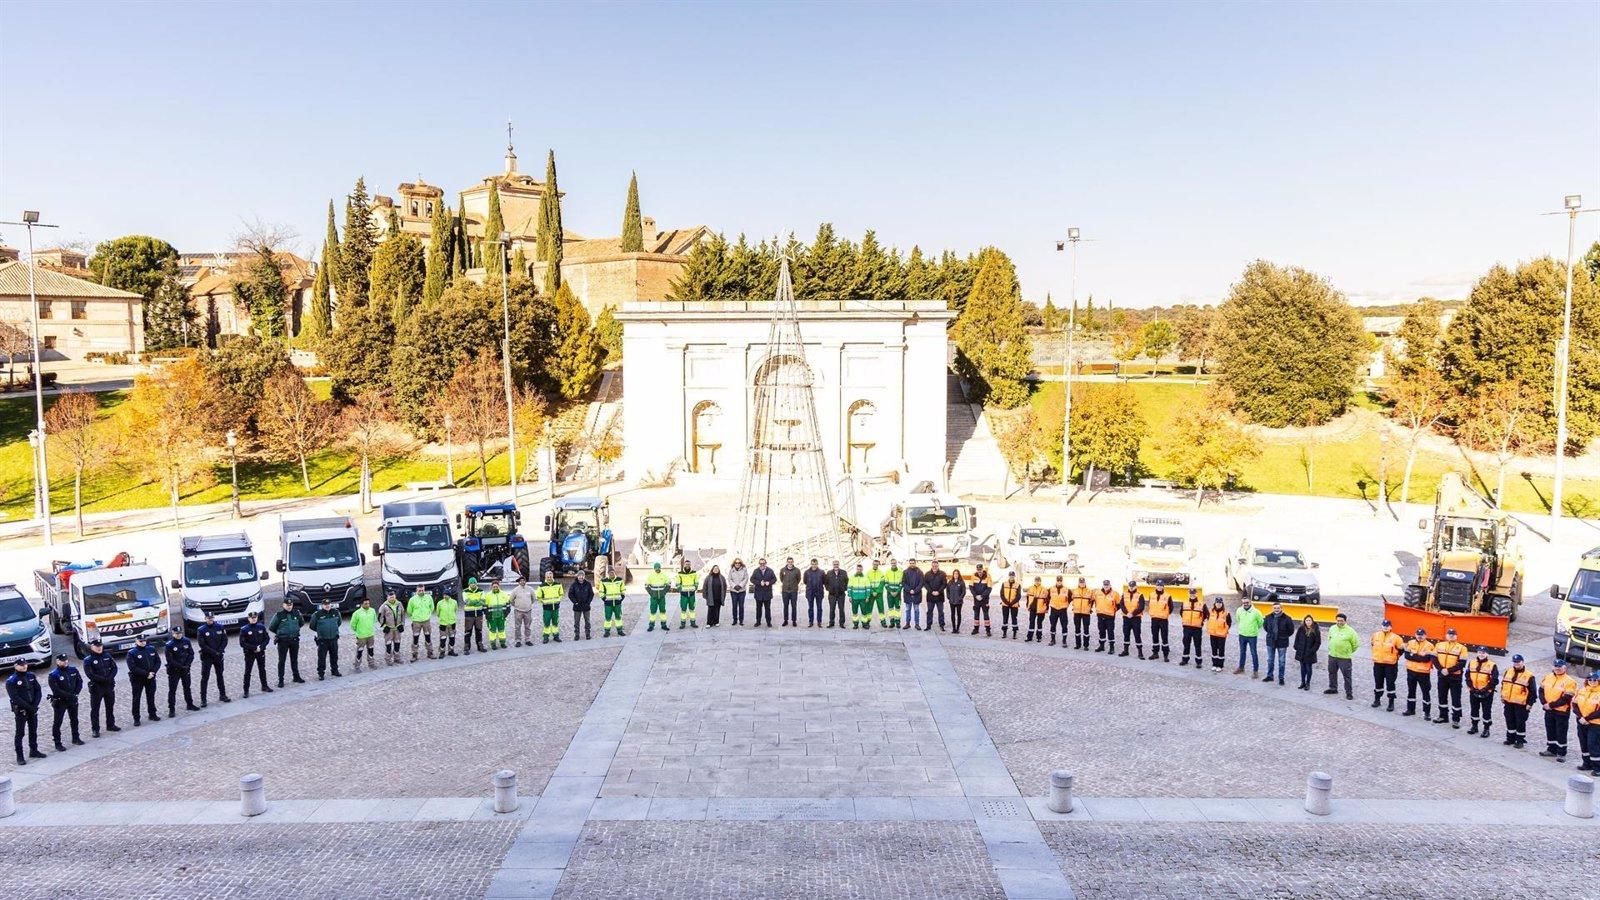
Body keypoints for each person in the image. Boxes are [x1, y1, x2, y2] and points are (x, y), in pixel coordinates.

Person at [1539, 659, 1579, 762]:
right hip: (1549, 710)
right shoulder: (1547, 677)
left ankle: (1561, 753)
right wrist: (1544, 703)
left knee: (1561, 732)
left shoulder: (1570, 681)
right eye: (1555, 666)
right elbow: (1541, 690)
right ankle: (1551, 749)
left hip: (1561, 711)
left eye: (1560, 666)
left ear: (1565, 668)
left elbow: (1566, 698)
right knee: (1550, 729)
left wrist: (1550, 705)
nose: (1557, 668)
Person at [7, 660, 44, 765]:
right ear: (16, 666)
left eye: (25, 664)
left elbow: (38, 690)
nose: (24, 667)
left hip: (32, 708)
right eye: (21, 665)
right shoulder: (12, 681)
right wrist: (30, 707)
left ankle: (34, 750)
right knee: (20, 733)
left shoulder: (31, 676)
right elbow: (15, 697)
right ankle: (20, 756)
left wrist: (35, 705)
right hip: (21, 710)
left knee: (33, 730)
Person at [83, 638, 120, 736]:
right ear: (92, 647)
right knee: (95, 709)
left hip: (109, 686)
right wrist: (103, 679)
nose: (99, 648)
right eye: (97, 647)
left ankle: (111, 724)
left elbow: (114, 668)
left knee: (110, 706)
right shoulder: (88, 660)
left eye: (100, 646)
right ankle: (95, 729)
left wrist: (110, 677)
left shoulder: (107, 656)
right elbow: (90, 674)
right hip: (97, 688)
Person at [46, 654, 84, 751]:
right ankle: (57, 743)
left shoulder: (73, 670)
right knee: (58, 722)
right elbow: (56, 690)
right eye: (62, 660)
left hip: (72, 700)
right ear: (57, 662)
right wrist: (70, 695)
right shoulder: (53, 674)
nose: (65, 662)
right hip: (60, 701)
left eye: (66, 660)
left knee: (74, 719)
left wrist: (76, 694)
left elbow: (79, 682)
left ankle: (76, 738)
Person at [1432, 628, 1468, 727]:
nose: (1451, 636)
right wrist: (1441, 669)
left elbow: (1462, 663)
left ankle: (1456, 719)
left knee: (1456, 698)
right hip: (1442, 675)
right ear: (1446, 635)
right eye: (1449, 634)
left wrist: (1448, 670)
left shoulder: (1462, 648)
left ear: (1456, 636)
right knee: (1442, 696)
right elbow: (1434, 658)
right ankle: (1443, 716)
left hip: (1455, 677)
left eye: (1453, 634)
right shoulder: (1439, 645)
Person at [1500, 654, 1535, 749]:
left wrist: (1530, 704)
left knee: (1520, 722)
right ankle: (1510, 738)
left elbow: (1533, 692)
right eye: (1515, 662)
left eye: (1518, 662)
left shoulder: (1529, 675)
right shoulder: (1508, 671)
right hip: (1508, 702)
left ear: (1522, 662)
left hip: (1521, 704)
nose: (1516, 664)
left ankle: (1520, 740)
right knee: (1509, 720)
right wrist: (1502, 696)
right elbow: (1504, 685)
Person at [268, 599, 306, 686]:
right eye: (287, 604)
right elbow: (271, 627)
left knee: (294, 659)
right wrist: (281, 633)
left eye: (291, 604)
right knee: (282, 661)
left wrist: (294, 630)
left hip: (294, 640)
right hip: (283, 641)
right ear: (283, 605)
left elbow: (301, 623)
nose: (289, 606)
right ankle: (281, 680)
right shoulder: (279, 615)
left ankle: (296, 676)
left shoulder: (297, 613)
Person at [125, 634, 162, 725]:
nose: (143, 642)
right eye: (140, 641)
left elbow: (158, 661)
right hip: (138, 679)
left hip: (151, 677)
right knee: (136, 698)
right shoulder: (132, 653)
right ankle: (136, 718)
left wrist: (153, 672)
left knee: (151, 696)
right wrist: (146, 674)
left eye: (144, 641)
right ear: (136, 642)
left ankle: (152, 713)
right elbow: (132, 667)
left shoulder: (151, 649)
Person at [1369, 618, 1405, 711]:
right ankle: (1377, 700)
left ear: (1391, 627)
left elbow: (1401, 650)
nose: (1385, 627)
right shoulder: (1375, 635)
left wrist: (1395, 657)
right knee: (1378, 682)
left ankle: (1391, 702)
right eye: (1384, 625)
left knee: (1390, 683)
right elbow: (1373, 645)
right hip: (1378, 663)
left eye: (1387, 626)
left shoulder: (1396, 638)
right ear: (1381, 626)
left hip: (1390, 665)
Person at [197, 611, 231, 705]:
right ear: (205, 619)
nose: (210, 619)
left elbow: (225, 640)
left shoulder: (220, 627)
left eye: (211, 618)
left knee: (220, 675)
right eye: (208, 618)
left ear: (214, 618)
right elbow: (202, 645)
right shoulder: (201, 630)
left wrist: (219, 651)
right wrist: (214, 652)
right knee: (205, 677)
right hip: (207, 657)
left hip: (218, 656)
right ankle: (203, 699)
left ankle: (222, 695)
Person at [163, 627, 199, 717]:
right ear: (173, 633)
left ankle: (189, 704)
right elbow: (170, 660)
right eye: (176, 633)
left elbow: (191, 654)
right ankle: (171, 709)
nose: (178, 635)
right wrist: (181, 666)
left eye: (180, 633)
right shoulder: (169, 645)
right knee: (172, 690)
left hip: (185, 669)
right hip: (174, 670)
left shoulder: (186, 641)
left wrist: (187, 664)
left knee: (187, 687)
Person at [1401, 627, 1435, 718]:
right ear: (1415, 635)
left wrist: (1414, 655)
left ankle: (1427, 713)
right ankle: (1410, 710)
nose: (1420, 637)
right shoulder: (1410, 643)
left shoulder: (1430, 645)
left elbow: (1426, 659)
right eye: (1418, 635)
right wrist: (1419, 657)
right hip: (1411, 671)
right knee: (1411, 691)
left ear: (1425, 636)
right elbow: (1407, 656)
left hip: (1423, 673)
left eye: (1422, 635)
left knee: (1425, 692)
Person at [1466, 649, 1500, 738]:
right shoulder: (1472, 663)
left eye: (1483, 653)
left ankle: (1486, 729)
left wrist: (1485, 689)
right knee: (1474, 709)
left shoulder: (1492, 665)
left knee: (1486, 711)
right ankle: (1474, 726)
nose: (1481, 654)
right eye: (1480, 652)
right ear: (1477, 653)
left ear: (1487, 654)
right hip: (1474, 691)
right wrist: (1471, 687)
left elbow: (1494, 680)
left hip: (1487, 693)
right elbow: (1467, 676)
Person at [1322, 613, 1357, 699]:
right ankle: (1333, 688)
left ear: (1345, 621)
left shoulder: (1351, 631)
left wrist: (1347, 651)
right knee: (1332, 673)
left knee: (1347, 676)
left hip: (1344, 658)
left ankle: (1349, 693)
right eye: (1338, 620)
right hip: (1332, 655)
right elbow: (1330, 638)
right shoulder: (1332, 628)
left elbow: (1355, 644)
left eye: (1341, 621)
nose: (1339, 622)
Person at [239, 611, 271, 697]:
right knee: (248, 671)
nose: (254, 619)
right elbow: (242, 643)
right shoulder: (244, 629)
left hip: (260, 652)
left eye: (255, 617)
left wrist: (261, 647)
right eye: (252, 618)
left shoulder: (261, 627)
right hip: (249, 653)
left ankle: (264, 686)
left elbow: (267, 638)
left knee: (262, 669)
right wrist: (254, 648)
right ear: (249, 618)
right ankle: (246, 690)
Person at [1261, 601, 1294, 685]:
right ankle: (1270, 676)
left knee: (1282, 661)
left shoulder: (1287, 618)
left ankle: (1281, 678)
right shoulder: (1268, 617)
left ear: (1281, 608)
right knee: (1270, 660)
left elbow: (1291, 631)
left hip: (1282, 642)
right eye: (1275, 608)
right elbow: (1265, 627)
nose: (1276, 609)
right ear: (1273, 608)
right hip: (1270, 642)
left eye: (1278, 608)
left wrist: (1283, 636)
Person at [309, 598, 343, 680]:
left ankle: (334, 670)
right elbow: (312, 626)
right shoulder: (317, 614)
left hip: (333, 638)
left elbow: (339, 622)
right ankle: (321, 673)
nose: (327, 606)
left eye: (328, 604)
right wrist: (321, 631)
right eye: (325, 605)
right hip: (323, 640)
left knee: (334, 656)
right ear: (322, 605)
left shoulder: (336, 612)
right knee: (322, 657)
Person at [1575, 671, 1600, 773]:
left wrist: (1587, 718)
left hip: (1595, 724)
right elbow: (1574, 704)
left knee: (1593, 744)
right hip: (1581, 721)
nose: (1592, 681)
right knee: (1583, 743)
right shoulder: (1581, 691)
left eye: (1595, 680)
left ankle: (1597, 768)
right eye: (1590, 680)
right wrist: (1581, 717)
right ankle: (1586, 764)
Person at [1232, 599, 1262, 676]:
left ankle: (1255, 671)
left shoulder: (1256, 612)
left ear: (1250, 602)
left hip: (1252, 636)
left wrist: (1253, 629)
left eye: (1247, 602)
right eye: (1244, 603)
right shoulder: (1239, 610)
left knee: (1254, 653)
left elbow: (1260, 622)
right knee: (1242, 652)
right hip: (1242, 635)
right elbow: (1238, 619)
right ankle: (1241, 667)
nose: (1245, 604)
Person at [1177, 589, 1206, 668]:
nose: (1192, 595)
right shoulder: (1185, 603)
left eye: (1193, 593)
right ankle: (1185, 659)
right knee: (1186, 644)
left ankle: (1198, 662)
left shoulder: (1202, 604)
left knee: (1197, 645)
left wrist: (1201, 622)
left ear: (1197, 594)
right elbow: (1181, 613)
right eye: (1191, 593)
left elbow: (1206, 614)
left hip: (1197, 628)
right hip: (1187, 628)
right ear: (1189, 594)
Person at [407, 586, 436, 660]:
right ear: (416, 591)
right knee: (415, 638)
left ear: (424, 590)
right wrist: (414, 617)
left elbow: (432, 607)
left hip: (426, 621)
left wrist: (428, 615)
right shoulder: (412, 599)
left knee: (428, 637)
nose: (421, 592)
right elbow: (409, 611)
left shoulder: (429, 598)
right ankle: (414, 655)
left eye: (422, 590)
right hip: (416, 622)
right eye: (419, 590)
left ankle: (430, 653)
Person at [1291, 615, 1320, 690]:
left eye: (1309, 620)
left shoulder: (1315, 630)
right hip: (1301, 651)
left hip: (1310, 653)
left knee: (1308, 668)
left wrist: (1312, 650)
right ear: (1304, 621)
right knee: (1302, 668)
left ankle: (1308, 683)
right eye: (1306, 620)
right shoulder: (1301, 628)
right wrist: (1296, 646)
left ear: (1312, 621)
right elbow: (1297, 638)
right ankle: (1302, 682)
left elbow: (1318, 642)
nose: (1308, 622)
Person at [1119, 581, 1146, 659]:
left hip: (1136, 618)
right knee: (1126, 634)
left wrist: (1132, 614)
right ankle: (1126, 651)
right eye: (1130, 586)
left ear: (1135, 586)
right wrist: (1127, 613)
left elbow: (1141, 607)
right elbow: (1122, 605)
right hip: (1126, 617)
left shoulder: (1140, 595)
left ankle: (1140, 653)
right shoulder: (1124, 594)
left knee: (1137, 635)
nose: (1131, 587)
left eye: (1133, 586)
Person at [378, 591, 406, 665]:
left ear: (395, 597)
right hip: (389, 629)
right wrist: (384, 626)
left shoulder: (399, 604)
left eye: (393, 597)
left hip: (397, 629)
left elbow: (403, 615)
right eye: (390, 597)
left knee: (397, 644)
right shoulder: (384, 606)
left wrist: (402, 624)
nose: (392, 598)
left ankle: (397, 658)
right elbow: (380, 617)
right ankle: (388, 659)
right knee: (388, 645)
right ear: (387, 597)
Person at [351, 596, 378, 672]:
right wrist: (359, 631)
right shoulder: (356, 613)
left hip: (370, 635)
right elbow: (353, 625)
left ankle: (371, 663)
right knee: (359, 651)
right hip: (361, 636)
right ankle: (357, 666)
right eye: (365, 604)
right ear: (361, 604)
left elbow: (374, 620)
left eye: (368, 603)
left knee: (371, 650)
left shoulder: (372, 610)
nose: (367, 605)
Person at [566, 570, 596, 638]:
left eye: (582, 575)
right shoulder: (574, 584)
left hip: (586, 606)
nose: (581, 577)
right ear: (577, 576)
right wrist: (575, 602)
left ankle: (587, 634)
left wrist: (588, 602)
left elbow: (591, 594)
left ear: (584, 576)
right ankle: (577, 634)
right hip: (577, 606)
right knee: (576, 622)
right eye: (579, 575)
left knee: (587, 621)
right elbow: (570, 594)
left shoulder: (588, 584)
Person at [461, 577, 488, 654]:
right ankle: (466, 647)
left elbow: (483, 601)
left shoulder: (481, 591)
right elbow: (467, 602)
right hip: (469, 614)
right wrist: (477, 601)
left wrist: (473, 602)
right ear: (469, 584)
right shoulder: (465, 591)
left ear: (476, 583)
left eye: (474, 583)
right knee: (468, 631)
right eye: (471, 583)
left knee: (479, 631)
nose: (473, 584)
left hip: (479, 614)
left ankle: (480, 645)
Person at [1093, 580, 1120, 653]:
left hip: (1110, 616)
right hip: (1100, 615)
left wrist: (1113, 610)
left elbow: (1118, 605)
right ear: (1103, 585)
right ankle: (1101, 646)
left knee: (1110, 632)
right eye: (1105, 585)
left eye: (1107, 585)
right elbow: (1094, 601)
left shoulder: (1115, 594)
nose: (1106, 586)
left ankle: (1112, 647)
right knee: (1101, 631)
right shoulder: (1097, 593)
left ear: (1110, 585)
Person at [1147, 586, 1173, 662]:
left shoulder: (1167, 596)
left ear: (1163, 587)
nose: (1159, 587)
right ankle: (1155, 653)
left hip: (1163, 620)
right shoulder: (1151, 595)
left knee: (1164, 637)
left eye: (1161, 586)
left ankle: (1165, 655)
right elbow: (1150, 605)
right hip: (1154, 619)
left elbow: (1171, 607)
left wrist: (1165, 614)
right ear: (1156, 586)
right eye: (1158, 585)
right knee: (1155, 636)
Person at [600, 566, 627, 638]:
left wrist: (622, 598)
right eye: (609, 572)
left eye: (612, 572)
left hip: (617, 603)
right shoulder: (603, 581)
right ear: (608, 573)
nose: (611, 573)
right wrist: (604, 599)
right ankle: (607, 631)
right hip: (608, 604)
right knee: (608, 618)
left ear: (614, 572)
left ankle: (620, 630)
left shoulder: (619, 580)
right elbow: (601, 592)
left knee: (618, 617)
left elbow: (623, 590)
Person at [537, 572, 564, 643]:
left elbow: (561, 594)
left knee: (555, 622)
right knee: (546, 623)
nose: (549, 578)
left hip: (555, 607)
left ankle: (556, 636)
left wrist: (558, 600)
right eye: (548, 577)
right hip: (547, 608)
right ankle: (546, 637)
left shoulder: (558, 585)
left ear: (552, 577)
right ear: (545, 577)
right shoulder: (541, 586)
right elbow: (538, 597)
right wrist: (543, 602)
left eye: (550, 577)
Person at [1205, 598, 1231, 672]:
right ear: (1215, 603)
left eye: (1220, 603)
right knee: (1214, 649)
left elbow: (1229, 623)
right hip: (1213, 634)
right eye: (1217, 603)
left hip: (1222, 635)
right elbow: (1208, 620)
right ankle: (1214, 664)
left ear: (1222, 604)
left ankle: (1220, 665)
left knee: (1221, 650)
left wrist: (1225, 631)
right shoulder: (1210, 612)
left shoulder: (1226, 613)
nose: (1218, 604)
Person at [484, 580, 511, 649]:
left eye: (496, 586)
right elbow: (485, 606)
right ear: (491, 587)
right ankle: (493, 644)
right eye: (494, 586)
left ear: (499, 586)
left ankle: (502, 643)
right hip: (492, 616)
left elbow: (508, 605)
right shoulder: (488, 595)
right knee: (492, 631)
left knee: (501, 630)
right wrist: (487, 615)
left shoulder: (504, 594)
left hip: (501, 616)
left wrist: (506, 613)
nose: (495, 588)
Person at [750, 558, 775, 628]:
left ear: (766, 563)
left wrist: (769, 582)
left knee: (767, 609)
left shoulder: (770, 571)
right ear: (759, 564)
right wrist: (758, 583)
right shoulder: (756, 571)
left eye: (763, 563)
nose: (762, 565)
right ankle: (758, 622)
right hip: (758, 594)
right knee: (758, 609)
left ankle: (769, 622)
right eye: (761, 563)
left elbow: (774, 579)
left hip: (767, 594)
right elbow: (752, 579)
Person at [788, 556, 813, 629]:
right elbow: (782, 578)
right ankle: (785, 620)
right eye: (789, 562)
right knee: (785, 607)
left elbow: (798, 579)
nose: (790, 563)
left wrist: (794, 585)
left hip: (794, 591)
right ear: (787, 562)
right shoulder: (783, 570)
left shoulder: (797, 570)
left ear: (793, 562)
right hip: (785, 591)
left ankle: (794, 621)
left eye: (791, 562)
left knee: (794, 606)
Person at [511, 576, 536, 647]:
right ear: (519, 582)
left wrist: (528, 604)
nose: (522, 582)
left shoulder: (530, 589)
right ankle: (518, 640)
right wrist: (516, 606)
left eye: (524, 580)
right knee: (517, 627)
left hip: (528, 611)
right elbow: (511, 600)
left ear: (525, 581)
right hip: (518, 611)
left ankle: (527, 639)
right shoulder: (515, 590)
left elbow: (533, 599)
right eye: (521, 581)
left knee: (528, 626)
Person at [1046, 576, 1071, 646]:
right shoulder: (1051, 589)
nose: (1059, 582)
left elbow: (1070, 598)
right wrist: (1047, 607)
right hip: (1054, 609)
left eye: (1060, 581)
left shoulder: (1067, 589)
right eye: (1058, 581)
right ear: (1056, 581)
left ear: (1062, 581)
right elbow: (1047, 598)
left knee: (1064, 625)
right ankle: (1052, 640)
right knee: (1053, 625)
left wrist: (1067, 604)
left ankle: (1064, 641)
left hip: (1063, 610)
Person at [646, 563, 671, 632]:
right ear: (654, 568)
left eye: (658, 568)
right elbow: (646, 585)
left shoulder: (664, 575)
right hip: (654, 597)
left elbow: (668, 584)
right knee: (653, 611)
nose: (657, 569)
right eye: (656, 568)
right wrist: (651, 593)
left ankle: (664, 625)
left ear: (660, 568)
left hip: (662, 597)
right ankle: (651, 625)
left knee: (663, 611)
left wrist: (664, 592)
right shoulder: (651, 576)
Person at [676, 560, 701, 629]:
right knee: (683, 609)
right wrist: (680, 589)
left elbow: (696, 582)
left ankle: (693, 623)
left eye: (689, 564)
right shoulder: (680, 573)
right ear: (684, 565)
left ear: (690, 565)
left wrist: (695, 587)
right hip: (684, 595)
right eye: (686, 564)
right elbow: (677, 583)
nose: (687, 565)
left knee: (692, 609)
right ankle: (683, 623)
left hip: (692, 595)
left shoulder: (694, 573)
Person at [825, 560, 849, 628]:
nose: (836, 565)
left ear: (839, 565)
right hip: (832, 595)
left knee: (841, 609)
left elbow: (847, 582)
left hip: (841, 595)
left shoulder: (843, 572)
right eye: (834, 564)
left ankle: (842, 623)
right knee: (832, 609)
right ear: (833, 565)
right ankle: (831, 623)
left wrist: (844, 588)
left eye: (837, 564)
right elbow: (826, 582)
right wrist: (828, 589)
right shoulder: (829, 573)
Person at [1024, 576, 1049, 643]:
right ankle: (1029, 637)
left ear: (1040, 581)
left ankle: (1039, 637)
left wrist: (1047, 608)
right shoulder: (1030, 588)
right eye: (1036, 580)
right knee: (1031, 622)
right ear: (1034, 581)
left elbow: (1047, 600)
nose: (1037, 582)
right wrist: (1027, 606)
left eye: (1038, 580)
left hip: (1041, 609)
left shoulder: (1044, 589)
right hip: (1033, 608)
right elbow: (1028, 598)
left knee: (1039, 623)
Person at [924, 562, 948, 632]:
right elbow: (925, 584)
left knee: (941, 612)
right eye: (933, 566)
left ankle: (942, 625)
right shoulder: (927, 574)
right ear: (931, 566)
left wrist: (938, 591)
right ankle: (928, 625)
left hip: (939, 596)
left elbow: (944, 584)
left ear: (938, 566)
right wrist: (931, 591)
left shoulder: (943, 574)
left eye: (936, 566)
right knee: (929, 611)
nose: (934, 567)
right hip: (930, 596)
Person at [435, 588, 459, 657]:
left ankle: (451, 651)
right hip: (443, 624)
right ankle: (442, 652)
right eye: (444, 595)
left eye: (446, 595)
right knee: (443, 638)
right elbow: (438, 613)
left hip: (452, 623)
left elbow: (455, 610)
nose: (445, 596)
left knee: (452, 637)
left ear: (449, 595)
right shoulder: (440, 603)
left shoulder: (454, 602)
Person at [969, 565, 992, 636]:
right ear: (977, 570)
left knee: (986, 615)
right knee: (976, 614)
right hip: (976, 599)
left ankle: (988, 630)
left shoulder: (988, 576)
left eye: (980, 570)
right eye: (978, 570)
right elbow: (971, 587)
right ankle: (976, 629)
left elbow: (989, 588)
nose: (979, 571)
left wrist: (982, 596)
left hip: (984, 599)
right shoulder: (973, 575)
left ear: (982, 569)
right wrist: (975, 596)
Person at [998, 571, 1021, 639]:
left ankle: (1014, 633)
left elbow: (1018, 596)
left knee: (1014, 619)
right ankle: (1004, 632)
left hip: (1014, 605)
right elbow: (1001, 594)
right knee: (1005, 618)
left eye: (1012, 576)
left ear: (1014, 576)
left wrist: (1012, 603)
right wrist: (1006, 602)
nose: (1011, 577)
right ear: (1009, 576)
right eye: (1010, 576)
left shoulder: (1018, 585)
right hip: (1005, 604)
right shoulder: (1004, 584)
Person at [902, 561, 924, 631]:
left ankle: (917, 624)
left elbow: (921, 583)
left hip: (916, 594)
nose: (912, 564)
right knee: (908, 610)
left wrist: (915, 590)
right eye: (910, 563)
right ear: (909, 563)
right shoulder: (905, 572)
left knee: (916, 610)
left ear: (915, 563)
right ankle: (907, 624)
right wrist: (909, 590)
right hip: (907, 594)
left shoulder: (919, 572)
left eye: (913, 563)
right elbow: (903, 582)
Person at [882, 559, 904, 629]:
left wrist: (897, 591)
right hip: (890, 594)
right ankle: (892, 622)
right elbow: (885, 583)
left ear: (896, 563)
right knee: (891, 609)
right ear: (890, 564)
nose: (893, 564)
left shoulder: (900, 572)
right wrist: (891, 591)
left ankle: (898, 622)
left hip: (898, 595)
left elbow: (901, 584)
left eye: (894, 563)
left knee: (897, 608)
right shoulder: (887, 572)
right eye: (892, 563)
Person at [847, 564, 871, 629]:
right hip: (854, 598)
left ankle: (865, 624)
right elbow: (849, 587)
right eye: (858, 569)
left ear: (862, 569)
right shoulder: (852, 577)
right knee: (854, 612)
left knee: (864, 612)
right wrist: (850, 596)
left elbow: (868, 588)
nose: (859, 570)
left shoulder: (865, 577)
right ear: (856, 569)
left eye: (860, 569)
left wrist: (867, 597)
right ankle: (855, 624)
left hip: (863, 598)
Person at [804, 558, 825, 627]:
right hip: (810, 593)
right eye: (813, 564)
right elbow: (805, 581)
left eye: (815, 564)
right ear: (811, 564)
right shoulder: (807, 572)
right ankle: (811, 622)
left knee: (819, 608)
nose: (814, 566)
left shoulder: (821, 572)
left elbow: (824, 581)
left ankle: (819, 622)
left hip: (819, 592)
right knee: (810, 608)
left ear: (817, 564)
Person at [727, 558, 749, 627]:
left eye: (739, 563)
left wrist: (740, 586)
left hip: (742, 591)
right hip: (733, 591)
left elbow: (746, 578)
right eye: (736, 563)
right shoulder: (731, 570)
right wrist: (734, 586)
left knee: (741, 606)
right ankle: (735, 620)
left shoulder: (744, 570)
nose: (737, 564)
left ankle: (741, 620)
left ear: (741, 564)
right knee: (734, 606)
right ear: (734, 564)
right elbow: (729, 579)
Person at [948, 569, 968, 634]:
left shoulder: (961, 582)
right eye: (954, 574)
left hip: (959, 602)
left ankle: (958, 628)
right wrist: (949, 597)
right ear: (953, 575)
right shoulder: (950, 582)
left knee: (958, 614)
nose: (955, 575)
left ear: (958, 574)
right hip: (952, 601)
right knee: (952, 614)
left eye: (957, 574)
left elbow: (964, 591)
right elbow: (947, 590)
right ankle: (954, 628)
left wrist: (960, 598)